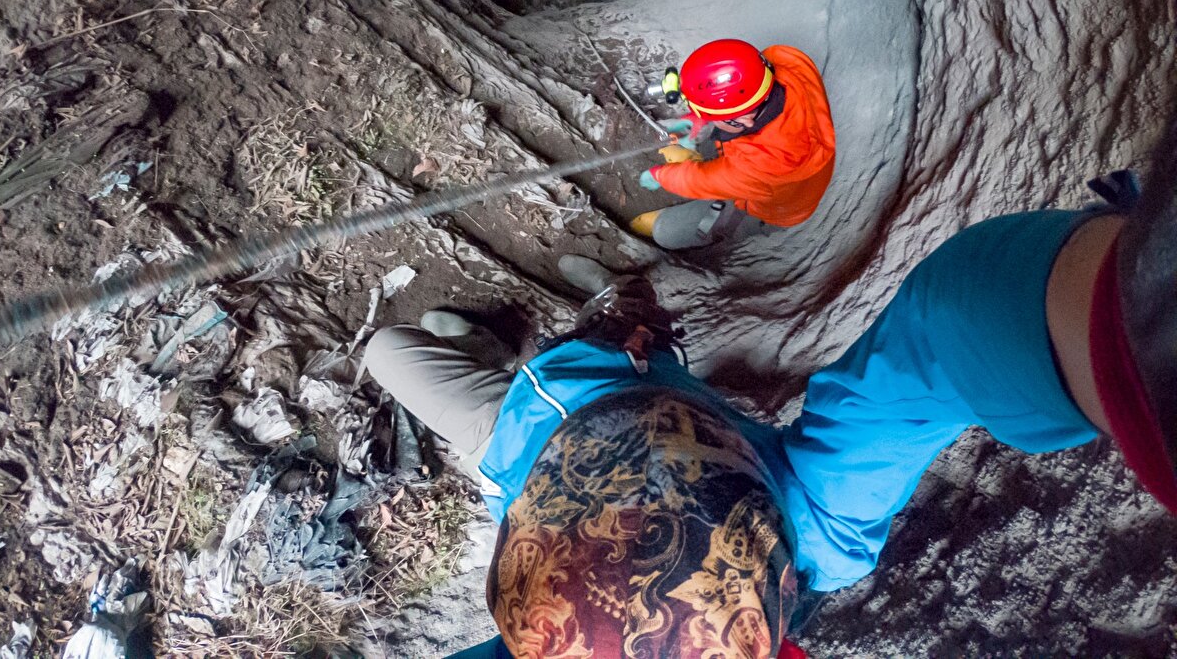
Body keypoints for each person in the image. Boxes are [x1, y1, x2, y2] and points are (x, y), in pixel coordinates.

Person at [361, 118, 1177, 658]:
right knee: (412, 354)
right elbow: (954, 325)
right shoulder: (816, 521)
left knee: (390, 353)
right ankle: (618, 323)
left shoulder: (554, 472)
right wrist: (1131, 315)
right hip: (634, 420)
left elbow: (955, 322)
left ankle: (540, 337)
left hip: (553, 417)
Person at [632, 39, 835, 250]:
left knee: (664, 232)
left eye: (709, 115)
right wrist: (702, 114)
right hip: (785, 174)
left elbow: (700, 180)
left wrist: (660, 175)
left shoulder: (764, 165)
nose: (704, 118)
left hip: (778, 209)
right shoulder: (788, 59)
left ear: (744, 119)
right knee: (718, 141)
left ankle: (744, 226)